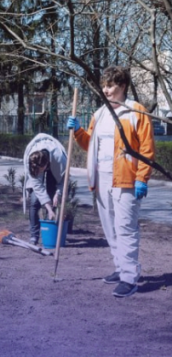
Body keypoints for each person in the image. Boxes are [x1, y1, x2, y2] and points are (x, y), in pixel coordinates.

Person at [67, 65, 156, 298]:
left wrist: (142, 178)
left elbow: (146, 149)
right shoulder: (100, 114)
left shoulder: (136, 112)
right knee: (109, 227)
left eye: (110, 86)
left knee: (125, 227)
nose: (105, 90)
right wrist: (78, 131)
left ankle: (129, 277)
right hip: (102, 179)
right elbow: (90, 144)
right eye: (104, 86)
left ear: (123, 86)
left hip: (127, 179)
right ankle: (120, 267)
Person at [22, 133, 67, 245]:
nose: (39, 172)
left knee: (52, 195)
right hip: (40, 164)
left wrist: (58, 193)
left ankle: (51, 230)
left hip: (54, 165)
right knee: (34, 201)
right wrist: (49, 208)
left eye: (40, 170)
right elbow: (38, 187)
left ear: (46, 165)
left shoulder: (59, 158)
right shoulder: (31, 160)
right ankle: (34, 235)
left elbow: (64, 179)